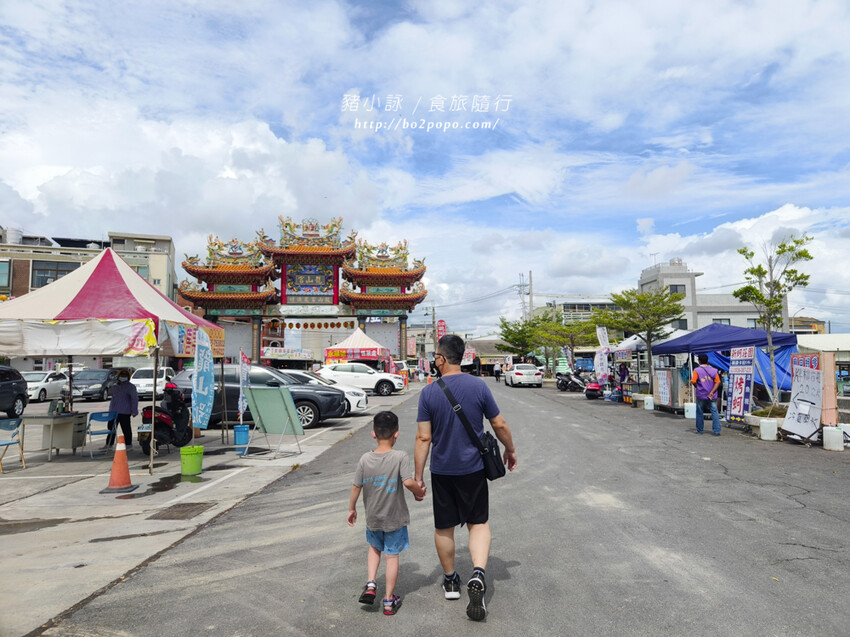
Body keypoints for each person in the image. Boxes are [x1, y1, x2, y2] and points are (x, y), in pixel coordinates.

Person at [415, 334, 517, 621]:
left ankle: (450, 581)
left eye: (435, 355)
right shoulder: (478, 386)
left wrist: (417, 476)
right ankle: (478, 573)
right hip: (473, 469)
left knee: (444, 528)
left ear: (441, 359)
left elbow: (424, 438)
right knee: (478, 523)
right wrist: (510, 450)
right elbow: (499, 423)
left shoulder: (429, 392)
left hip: (442, 470)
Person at [348, 411, 426, 616]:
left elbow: (356, 486)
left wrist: (352, 508)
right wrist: (420, 492)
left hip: (373, 517)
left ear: (373, 434)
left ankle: (371, 583)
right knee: (391, 557)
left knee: (374, 548)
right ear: (396, 434)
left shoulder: (365, 459)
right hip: (395, 519)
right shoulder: (400, 456)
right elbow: (408, 482)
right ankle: (389, 600)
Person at [103, 369, 139, 450]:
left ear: (128, 377)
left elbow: (134, 399)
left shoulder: (131, 387)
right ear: (118, 377)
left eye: (125, 376)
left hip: (125, 411)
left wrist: (134, 411)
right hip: (113, 411)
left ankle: (128, 444)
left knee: (126, 429)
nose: (123, 377)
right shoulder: (115, 387)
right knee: (111, 428)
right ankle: (109, 444)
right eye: (122, 376)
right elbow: (113, 400)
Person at [691, 354, 722, 435]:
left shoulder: (696, 370)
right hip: (712, 395)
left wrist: (697, 387)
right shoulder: (714, 370)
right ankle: (716, 431)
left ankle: (700, 430)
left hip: (701, 394)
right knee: (714, 412)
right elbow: (718, 382)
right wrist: (712, 392)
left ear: (699, 361)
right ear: (707, 360)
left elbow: (693, 381)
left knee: (699, 412)